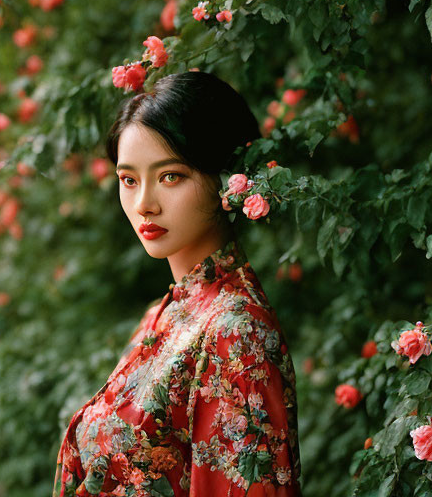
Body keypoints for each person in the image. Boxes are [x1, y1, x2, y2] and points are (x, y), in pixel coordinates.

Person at [52, 70, 302, 497]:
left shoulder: (235, 332)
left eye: (170, 176)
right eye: (129, 180)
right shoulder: (163, 314)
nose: (144, 204)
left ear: (224, 177)